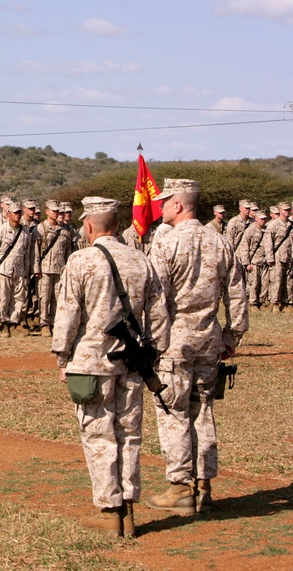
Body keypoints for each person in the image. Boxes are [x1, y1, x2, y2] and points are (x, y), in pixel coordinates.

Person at [51, 196, 169, 537]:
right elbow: (159, 313)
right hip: (133, 363)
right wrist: (154, 355)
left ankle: (109, 511)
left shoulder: (82, 260)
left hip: (91, 363)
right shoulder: (140, 260)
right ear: (116, 225)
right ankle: (129, 511)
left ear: (89, 225)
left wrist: (62, 357)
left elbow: (68, 314)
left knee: (99, 435)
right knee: (129, 434)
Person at [147, 179, 249, 516]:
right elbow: (237, 294)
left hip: (174, 342)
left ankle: (179, 488)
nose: (160, 208)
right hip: (209, 340)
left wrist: (152, 341)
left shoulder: (166, 244)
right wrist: (231, 337)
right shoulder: (221, 242)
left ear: (178, 205)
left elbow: (154, 300)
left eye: (165, 202)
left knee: (173, 412)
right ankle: (204, 487)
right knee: (202, 411)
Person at [0, 200, 38, 337]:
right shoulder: (1, 230)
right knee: (3, 297)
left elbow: (28, 253)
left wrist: (28, 270)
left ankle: (14, 323)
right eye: (15, 213)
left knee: (19, 299)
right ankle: (4, 324)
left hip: (20, 270)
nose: (17, 215)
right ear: (8, 214)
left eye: (19, 212)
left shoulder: (25, 232)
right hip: (4, 270)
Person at [35, 199, 73, 337]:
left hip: (60, 268)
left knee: (58, 298)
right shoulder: (40, 229)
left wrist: (68, 268)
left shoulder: (64, 230)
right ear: (46, 212)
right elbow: (36, 251)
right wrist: (36, 269)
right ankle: (44, 324)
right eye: (53, 210)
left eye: (57, 211)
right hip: (45, 269)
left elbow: (68, 251)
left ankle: (55, 323)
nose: (56, 213)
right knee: (44, 298)